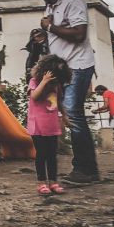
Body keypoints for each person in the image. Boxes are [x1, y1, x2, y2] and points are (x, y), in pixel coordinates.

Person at [32, 0, 99, 185]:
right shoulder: (50, 5)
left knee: (73, 114)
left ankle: (86, 170)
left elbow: (79, 34)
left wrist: (50, 26)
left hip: (78, 65)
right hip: (63, 69)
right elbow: (59, 34)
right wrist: (46, 34)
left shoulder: (73, 0)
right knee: (68, 115)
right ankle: (85, 168)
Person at [27, 54, 71, 196]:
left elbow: (58, 102)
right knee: (41, 154)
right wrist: (44, 81)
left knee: (52, 155)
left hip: (52, 125)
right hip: (37, 126)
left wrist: (65, 117)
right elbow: (34, 96)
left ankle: (53, 182)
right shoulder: (34, 82)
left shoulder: (56, 86)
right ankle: (41, 183)